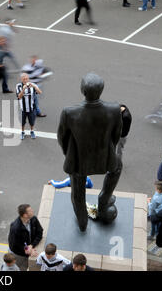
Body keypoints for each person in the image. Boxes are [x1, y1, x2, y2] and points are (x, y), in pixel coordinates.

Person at [57, 73, 122, 231]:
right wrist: (107, 151)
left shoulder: (69, 112)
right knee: (116, 168)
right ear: (102, 90)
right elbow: (116, 135)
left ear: (82, 90)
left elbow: (62, 138)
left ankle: (82, 223)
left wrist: (69, 155)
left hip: (79, 159)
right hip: (104, 155)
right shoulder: (114, 109)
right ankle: (104, 199)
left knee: (77, 193)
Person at [8, 204, 43, 271]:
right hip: (18, 254)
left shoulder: (33, 219)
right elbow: (14, 244)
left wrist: (32, 245)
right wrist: (27, 249)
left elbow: (40, 232)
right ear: (25, 215)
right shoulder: (15, 228)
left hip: (28, 248)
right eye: (30, 211)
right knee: (19, 268)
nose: (32, 211)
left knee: (26, 266)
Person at [16, 73, 42, 140]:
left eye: (27, 79)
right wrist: (23, 89)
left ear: (28, 79)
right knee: (23, 122)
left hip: (31, 108)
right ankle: (22, 132)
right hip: (23, 109)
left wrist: (35, 87)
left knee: (32, 121)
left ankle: (32, 131)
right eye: (24, 79)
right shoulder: (18, 86)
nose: (25, 80)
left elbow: (39, 92)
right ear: (21, 79)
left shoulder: (33, 85)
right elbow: (19, 97)